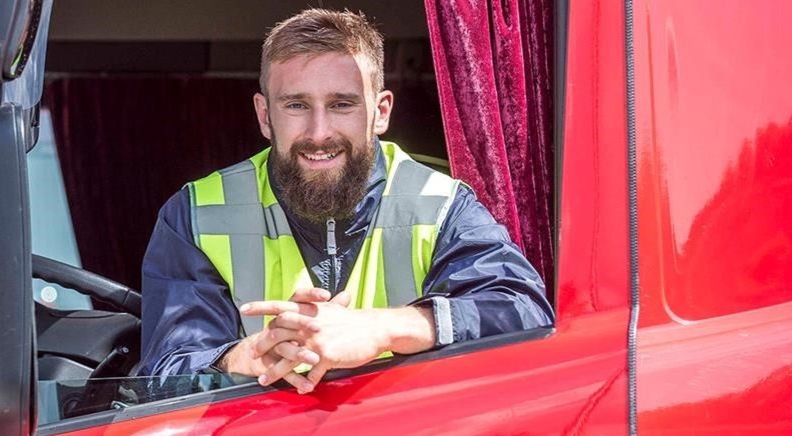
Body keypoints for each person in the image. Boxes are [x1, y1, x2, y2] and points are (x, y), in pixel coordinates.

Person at [135, 8, 553, 393]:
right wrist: (242, 358)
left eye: (342, 105)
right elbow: (163, 373)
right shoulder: (195, 212)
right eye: (296, 104)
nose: (319, 133)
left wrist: (382, 329)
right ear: (265, 115)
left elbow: (524, 310)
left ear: (381, 111)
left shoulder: (439, 203)